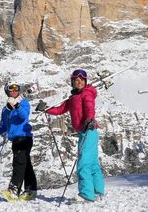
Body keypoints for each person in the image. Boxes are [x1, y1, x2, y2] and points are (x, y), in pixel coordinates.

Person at [36, 69, 105, 202]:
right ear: (72, 82)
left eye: (81, 80)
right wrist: (46, 109)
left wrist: (89, 120)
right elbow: (60, 109)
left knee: (83, 163)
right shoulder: (73, 98)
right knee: (92, 163)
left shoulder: (87, 94)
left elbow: (89, 107)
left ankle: (86, 194)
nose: (79, 82)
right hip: (86, 131)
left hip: (88, 130)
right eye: (76, 80)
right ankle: (98, 191)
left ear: (85, 82)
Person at [0, 82, 38, 201]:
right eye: (11, 88)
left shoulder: (23, 103)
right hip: (15, 139)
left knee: (19, 163)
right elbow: (3, 127)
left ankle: (13, 190)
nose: (14, 90)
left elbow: (24, 116)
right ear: (7, 90)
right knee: (25, 163)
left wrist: (17, 106)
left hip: (24, 137)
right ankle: (30, 189)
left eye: (17, 88)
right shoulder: (5, 110)